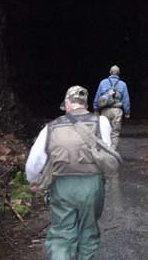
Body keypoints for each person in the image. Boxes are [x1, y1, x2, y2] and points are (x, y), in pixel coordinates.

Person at [25, 85, 112, 260]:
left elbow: (34, 162)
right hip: (92, 185)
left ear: (67, 104)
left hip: (62, 185)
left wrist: (34, 180)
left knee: (61, 234)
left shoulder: (50, 127)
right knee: (88, 230)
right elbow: (107, 153)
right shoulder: (101, 122)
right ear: (85, 104)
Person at [93, 65, 130, 149]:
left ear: (110, 72)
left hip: (104, 110)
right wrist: (127, 112)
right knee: (115, 132)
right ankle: (113, 151)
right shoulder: (123, 84)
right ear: (119, 74)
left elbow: (97, 96)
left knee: (104, 131)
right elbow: (126, 100)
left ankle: (104, 150)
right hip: (117, 111)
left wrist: (96, 109)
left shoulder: (103, 82)